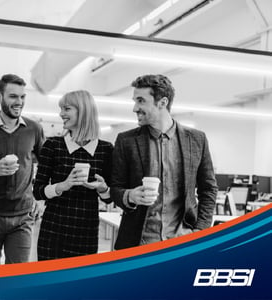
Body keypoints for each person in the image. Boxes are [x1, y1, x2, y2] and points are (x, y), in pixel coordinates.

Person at [111, 74, 217, 250]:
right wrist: (130, 196)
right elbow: (115, 187)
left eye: (141, 101)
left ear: (162, 102)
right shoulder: (126, 140)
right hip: (139, 243)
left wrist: (200, 230)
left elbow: (209, 189)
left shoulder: (197, 139)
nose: (134, 108)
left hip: (183, 242)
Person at [0, 74, 45, 265]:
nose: (19, 102)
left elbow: (46, 165)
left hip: (23, 216)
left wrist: (40, 197)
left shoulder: (34, 129)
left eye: (22, 97)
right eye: (13, 96)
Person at [33, 90, 113, 260]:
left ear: (83, 111)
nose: (61, 114)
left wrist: (103, 188)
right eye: (61, 109)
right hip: (53, 230)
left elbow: (108, 198)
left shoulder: (106, 150)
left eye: (67, 109)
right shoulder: (53, 146)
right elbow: (37, 191)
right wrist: (62, 186)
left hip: (86, 232)